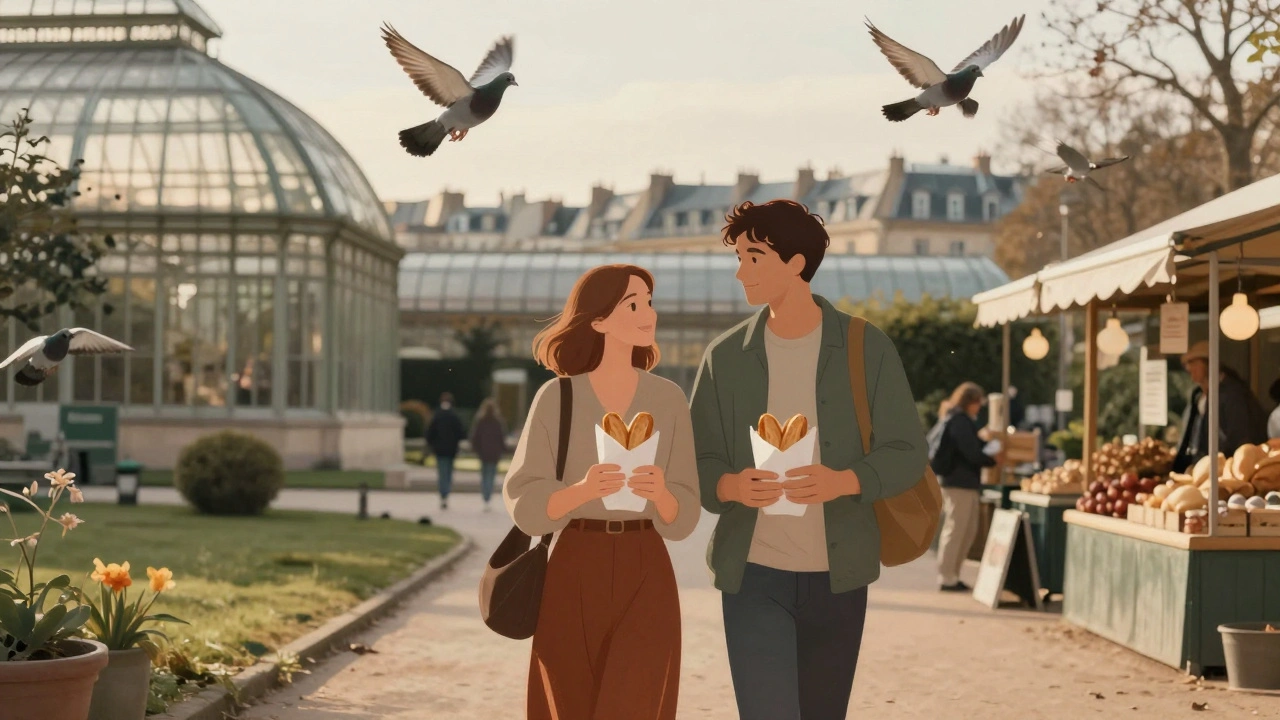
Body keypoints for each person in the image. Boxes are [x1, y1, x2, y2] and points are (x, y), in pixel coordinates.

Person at [689, 200, 928, 720]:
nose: (739, 271)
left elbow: (908, 451)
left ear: (796, 263)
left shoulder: (867, 348)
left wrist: (845, 481)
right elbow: (697, 460)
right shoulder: (724, 357)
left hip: (839, 575)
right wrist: (729, 487)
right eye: (738, 257)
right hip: (752, 573)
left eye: (754, 256)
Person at [503, 264, 700, 720]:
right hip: (573, 564)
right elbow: (524, 500)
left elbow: (686, 513)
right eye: (633, 304)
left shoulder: (669, 399)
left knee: (637, 702)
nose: (647, 313)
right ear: (598, 320)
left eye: (649, 301)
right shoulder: (558, 398)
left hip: (646, 566)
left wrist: (662, 494)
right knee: (569, 703)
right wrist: (581, 491)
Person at [933, 382, 999, 592]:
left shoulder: (957, 419)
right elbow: (971, 452)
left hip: (960, 482)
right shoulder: (960, 421)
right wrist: (991, 458)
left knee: (965, 530)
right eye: (978, 402)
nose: (980, 406)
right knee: (957, 529)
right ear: (970, 402)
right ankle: (947, 576)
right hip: (959, 483)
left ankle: (952, 574)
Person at [1173, 341, 1268, 474]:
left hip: (1224, 471)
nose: (1189, 368)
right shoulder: (1198, 397)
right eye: (1187, 364)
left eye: (1194, 362)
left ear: (1209, 364)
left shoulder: (1232, 394)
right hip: (1202, 470)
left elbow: (1240, 438)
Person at [426, 391, 465, 510]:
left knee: (442, 473)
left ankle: (443, 494)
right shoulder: (454, 416)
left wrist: (432, 444)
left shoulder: (437, 415)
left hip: (439, 450)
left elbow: (429, 433)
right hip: (451, 450)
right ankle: (446, 492)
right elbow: (461, 433)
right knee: (448, 473)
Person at [469, 398, 508, 510]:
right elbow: (502, 438)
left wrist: (475, 448)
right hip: (494, 454)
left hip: (483, 453)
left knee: (484, 475)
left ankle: (485, 495)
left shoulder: (480, 421)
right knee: (491, 476)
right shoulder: (498, 422)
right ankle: (488, 496)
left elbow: (475, 437)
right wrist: (503, 449)